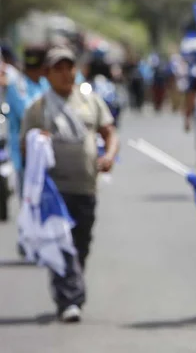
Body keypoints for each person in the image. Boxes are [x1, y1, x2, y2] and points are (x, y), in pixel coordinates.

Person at [20, 45, 119, 322]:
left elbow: (109, 132)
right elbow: (25, 147)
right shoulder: (37, 108)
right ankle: (69, 299)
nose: (66, 74)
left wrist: (109, 156)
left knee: (81, 244)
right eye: (58, 69)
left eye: (70, 67)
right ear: (48, 74)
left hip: (86, 185)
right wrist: (37, 142)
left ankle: (71, 287)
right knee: (61, 242)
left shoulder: (90, 101)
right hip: (55, 190)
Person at [6, 46, 50, 188]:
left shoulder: (45, 84)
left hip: (46, 155)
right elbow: (26, 113)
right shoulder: (18, 85)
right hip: (25, 155)